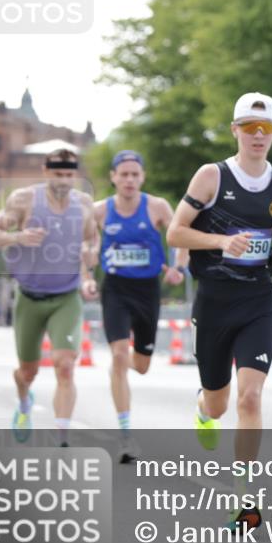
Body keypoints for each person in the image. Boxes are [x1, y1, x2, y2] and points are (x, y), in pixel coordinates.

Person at [167, 92, 272, 531]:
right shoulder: (212, 176)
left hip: (258, 300)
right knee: (221, 403)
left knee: (251, 396)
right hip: (215, 299)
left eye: (265, 129)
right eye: (249, 127)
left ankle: (244, 497)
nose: (257, 136)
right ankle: (204, 407)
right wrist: (221, 242)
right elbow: (175, 233)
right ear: (235, 131)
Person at [0, 147, 99, 446]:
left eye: (69, 174)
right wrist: (17, 237)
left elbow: (91, 242)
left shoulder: (84, 204)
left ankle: (62, 437)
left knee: (65, 364)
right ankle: (24, 404)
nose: (63, 180)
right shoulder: (24, 200)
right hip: (30, 298)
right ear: (46, 172)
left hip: (66, 297)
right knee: (27, 372)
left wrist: (89, 268)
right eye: (58, 174)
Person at [95, 149, 188, 463]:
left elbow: (180, 237)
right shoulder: (99, 211)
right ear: (113, 177)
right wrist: (84, 274)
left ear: (142, 177)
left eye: (135, 174)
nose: (130, 180)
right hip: (115, 289)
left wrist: (179, 267)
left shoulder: (157, 206)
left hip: (147, 290)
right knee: (119, 355)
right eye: (124, 174)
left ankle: (122, 365)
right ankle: (125, 436)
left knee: (142, 365)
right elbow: (82, 244)